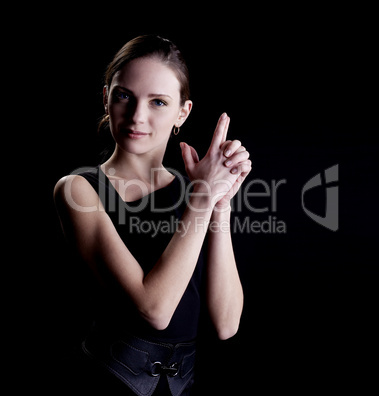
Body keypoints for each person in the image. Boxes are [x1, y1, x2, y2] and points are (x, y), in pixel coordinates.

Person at [54, 35, 252, 395]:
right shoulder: (78, 189)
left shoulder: (194, 192)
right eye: (124, 95)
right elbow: (154, 310)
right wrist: (203, 198)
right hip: (106, 383)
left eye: (158, 101)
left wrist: (219, 201)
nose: (137, 116)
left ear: (182, 113)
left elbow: (226, 323)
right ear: (106, 98)